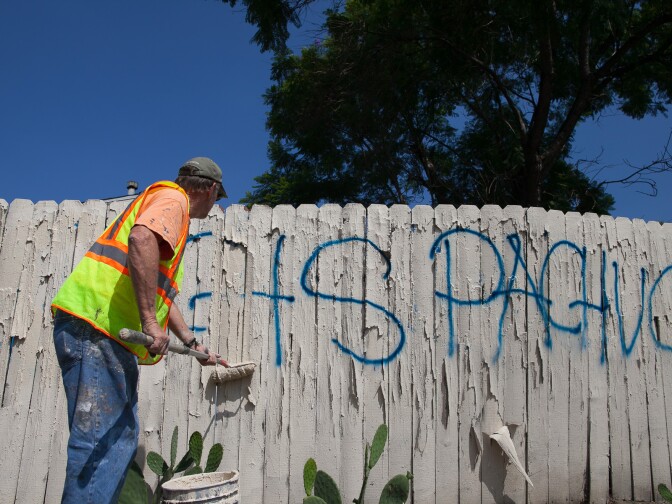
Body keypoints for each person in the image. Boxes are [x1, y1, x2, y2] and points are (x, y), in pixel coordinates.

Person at [51, 157, 229, 504]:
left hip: (94, 329)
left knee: (116, 438)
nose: (215, 203)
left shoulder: (165, 203)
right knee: (102, 442)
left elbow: (163, 295)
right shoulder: (173, 199)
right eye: (218, 197)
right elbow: (142, 238)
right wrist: (149, 322)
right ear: (210, 190)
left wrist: (193, 344)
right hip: (99, 329)